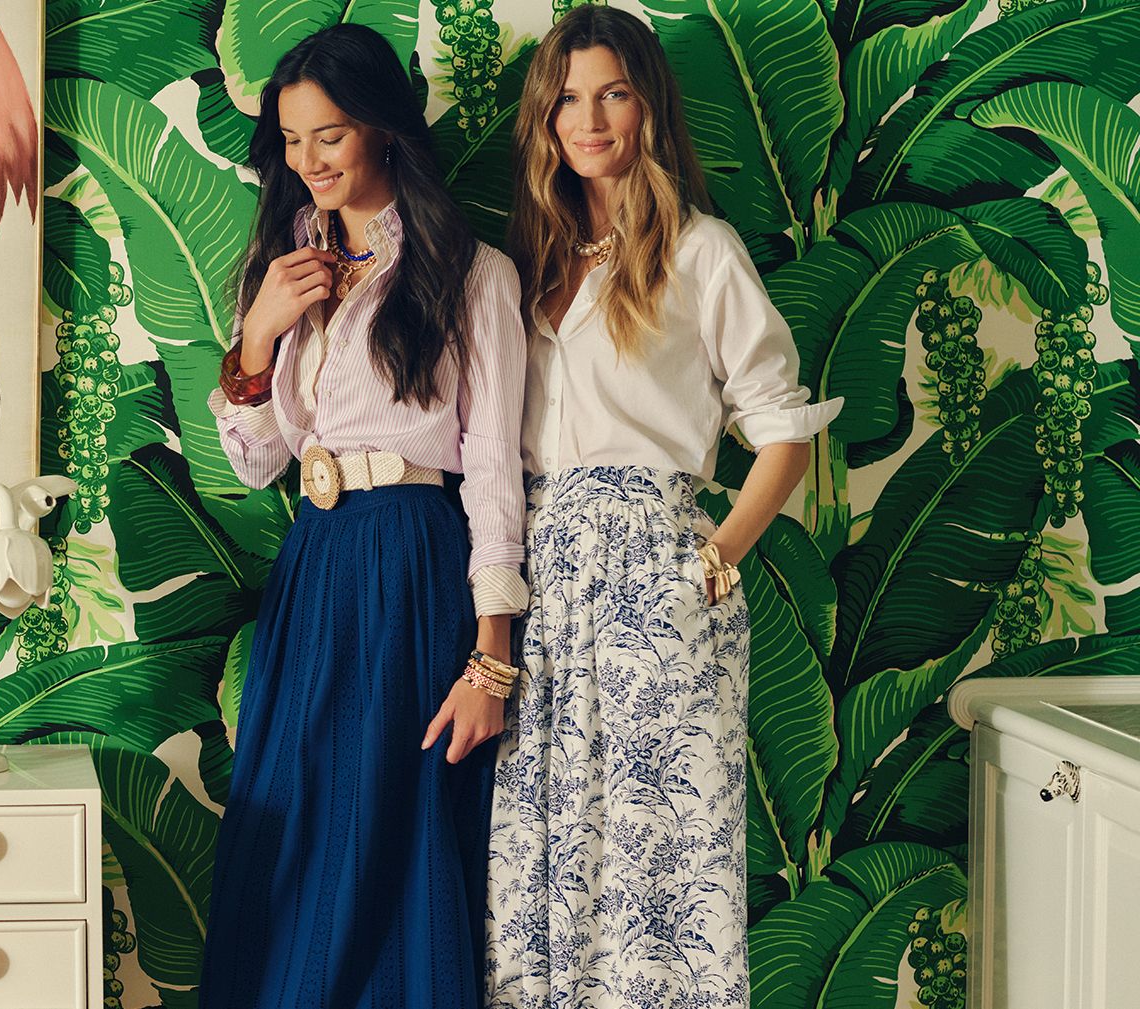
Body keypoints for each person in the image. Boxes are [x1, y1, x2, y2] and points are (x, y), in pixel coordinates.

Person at [484, 6, 842, 1007]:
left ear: (649, 105)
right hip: (537, 581)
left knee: (656, 864)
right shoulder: (529, 266)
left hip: (653, 572)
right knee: (535, 851)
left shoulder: (700, 251)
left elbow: (783, 430)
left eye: (614, 93)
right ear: (544, 121)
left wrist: (715, 557)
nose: (589, 119)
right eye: (567, 98)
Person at [197, 22, 529, 1009]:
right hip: (316, 564)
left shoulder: (474, 273)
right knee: (295, 822)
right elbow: (258, 459)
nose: (309, 162)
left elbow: (494, 473)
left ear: (382, 127)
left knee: (391, 831)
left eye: (329, 136)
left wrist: (491, 660)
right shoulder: (286, 258)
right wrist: (257, 335)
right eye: (293, 141)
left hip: (414, 561)